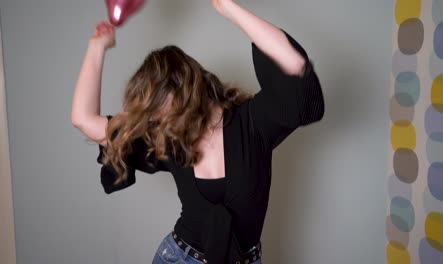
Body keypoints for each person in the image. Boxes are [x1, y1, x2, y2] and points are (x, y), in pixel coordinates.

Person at [71, 0, 324, 263]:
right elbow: (83, 120)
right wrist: (97, 46)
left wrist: (227, 7)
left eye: (160, 107)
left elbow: (295, 67)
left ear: (186, 86)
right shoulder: (169, 138)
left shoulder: (253, 122)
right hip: (178, 258)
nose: (158, 121)